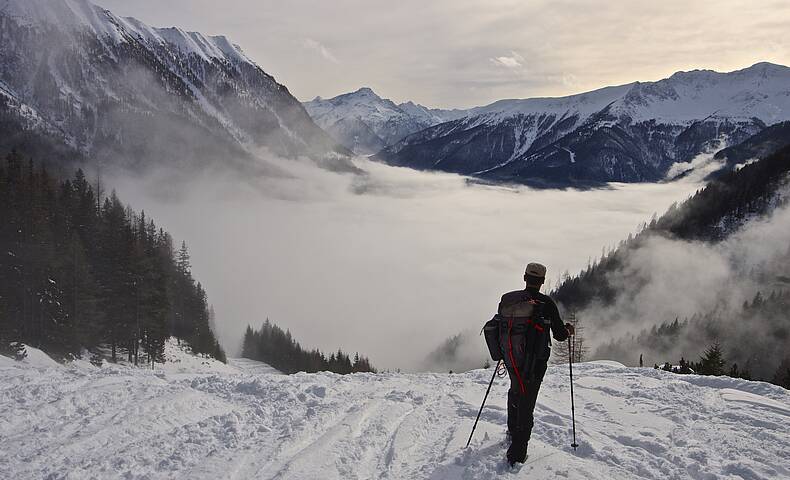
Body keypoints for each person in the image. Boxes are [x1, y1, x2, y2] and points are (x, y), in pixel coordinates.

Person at [496, 262, 574, 466]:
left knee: (515, 391)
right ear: (542, 281)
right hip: (535, 363)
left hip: (512, 358)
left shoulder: (508, 300)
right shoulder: (545, 303)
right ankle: (517, 454)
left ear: (524, 278)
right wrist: (568, 331)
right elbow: (558, 335)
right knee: (527, 401)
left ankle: (512, 432)